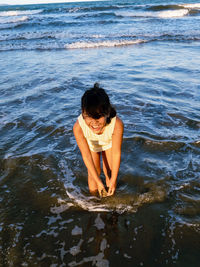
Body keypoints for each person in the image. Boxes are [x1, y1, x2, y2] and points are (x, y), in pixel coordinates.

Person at [73, 83, 124, 197]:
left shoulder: (117, 124)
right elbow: (86, 156)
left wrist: (114, 180)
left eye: (98, 117)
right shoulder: (78, 128)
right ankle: (93, 204)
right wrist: (98, 183)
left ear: (107, 112)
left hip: (108, 142)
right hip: (92, 144)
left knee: (110, 172)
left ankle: (111, 199)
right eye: (89, 116)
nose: (94, 122)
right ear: (83, 112)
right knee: (93, 174)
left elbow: (116, 153)